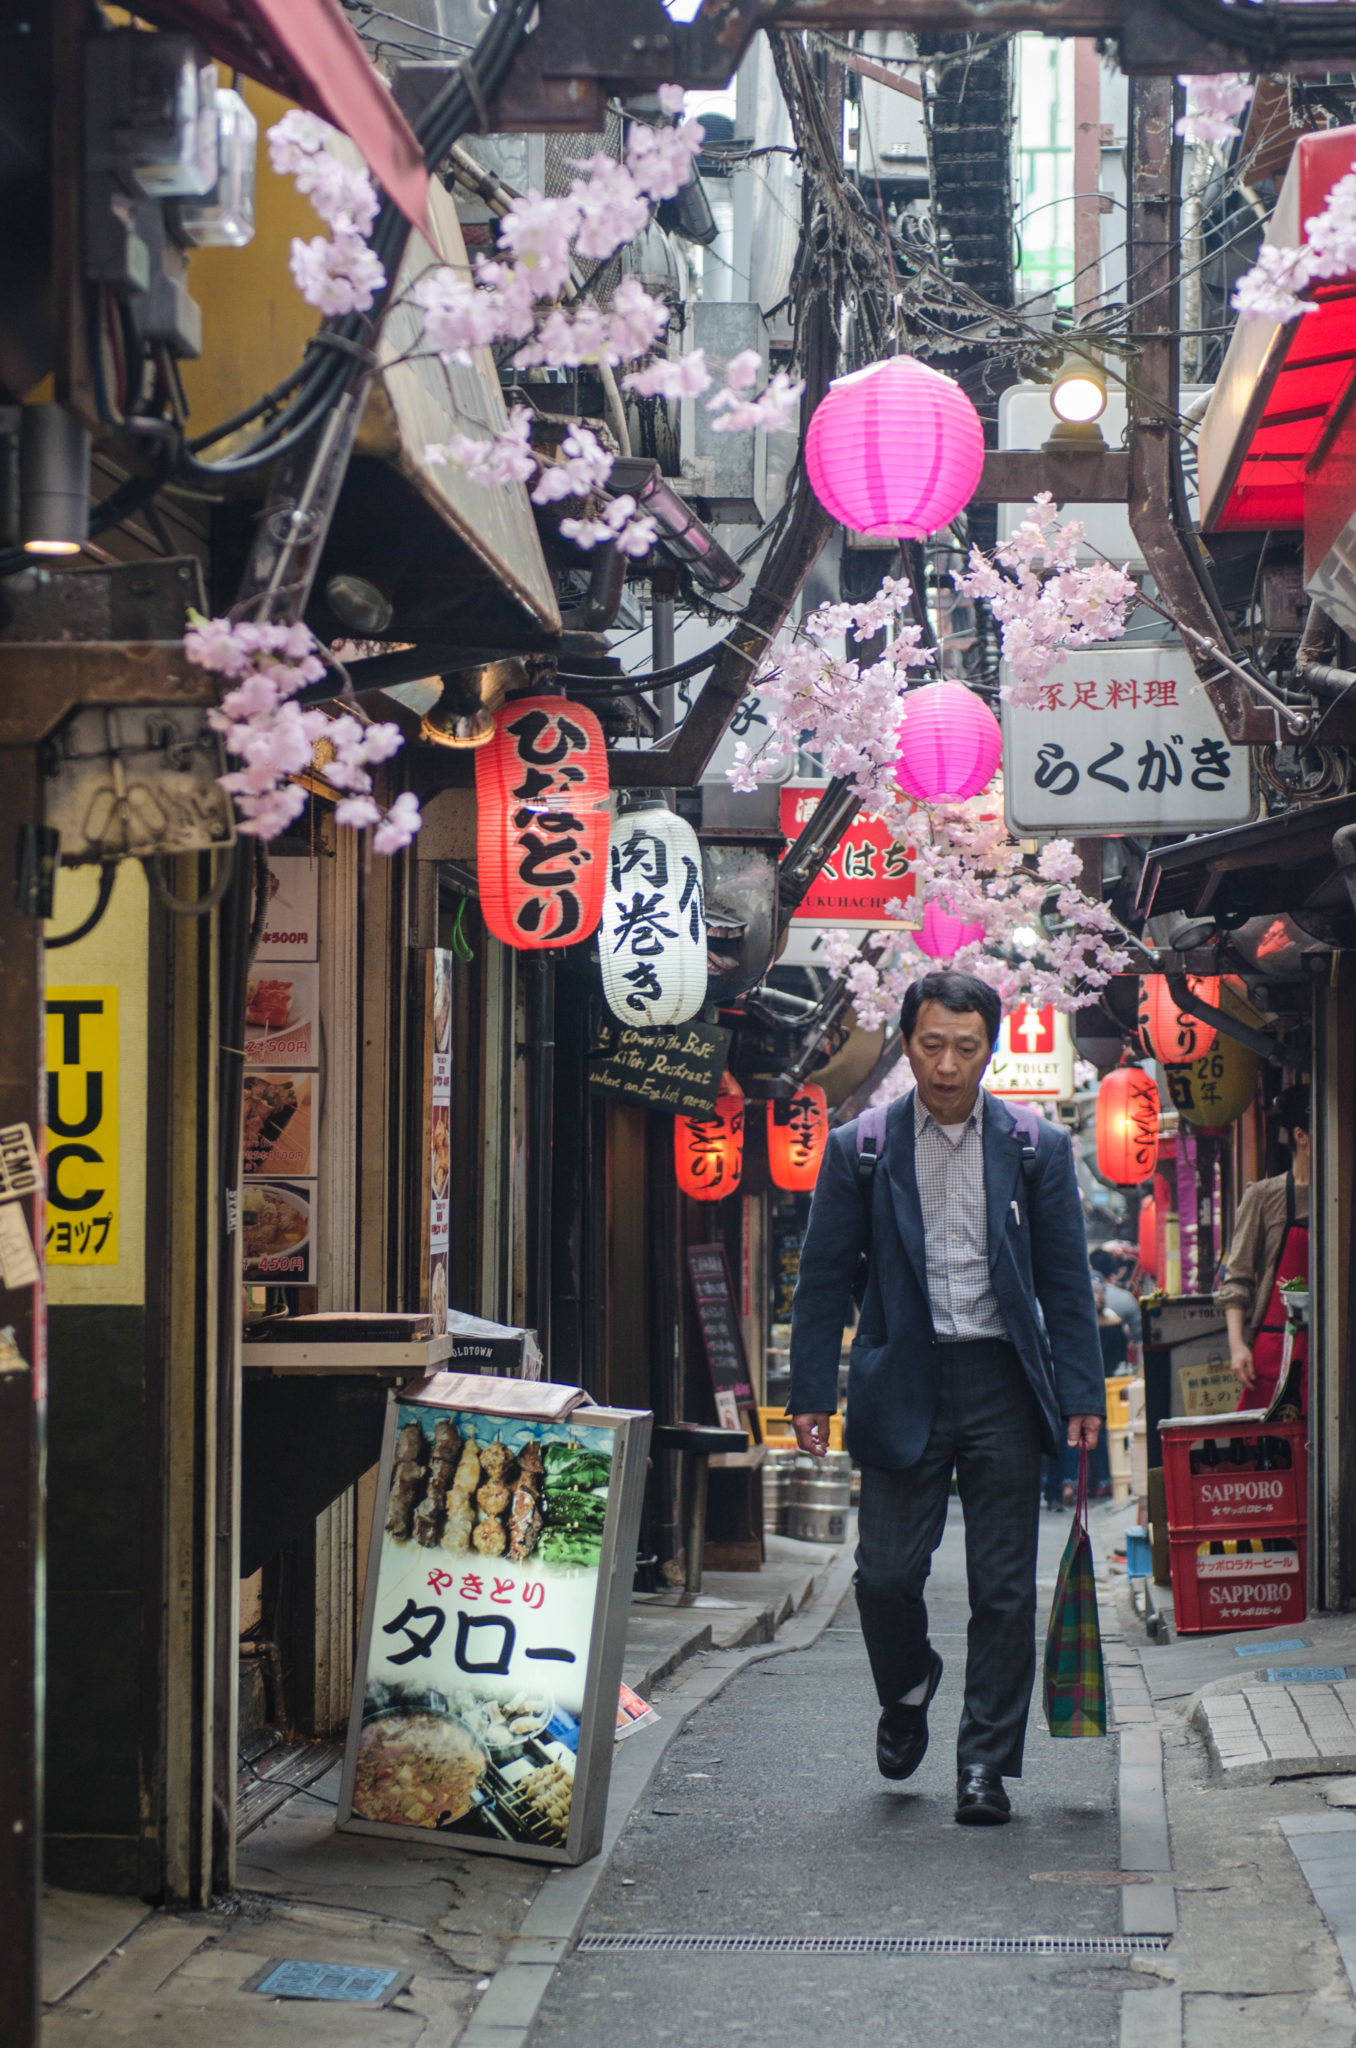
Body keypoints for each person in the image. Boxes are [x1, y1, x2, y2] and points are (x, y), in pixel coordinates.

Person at [788, 971, 1104, 1829]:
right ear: (907, 1041)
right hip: (902, 1382)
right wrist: (811, 1391)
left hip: (1003, 1377)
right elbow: (822, 1281)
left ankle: (984, 1765)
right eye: (932, 1044)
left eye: (966, 1047)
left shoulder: (1035, 1147)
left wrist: (1083, 1393)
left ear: (989, 1049)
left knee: (1003, 1590)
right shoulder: (862, 1146)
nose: (948, 1064)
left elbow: (1066, 1283)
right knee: (885, 1577)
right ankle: (908, 1685)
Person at [1219, 1084, 1310, 1413]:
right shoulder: (1263, 1197)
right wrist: (1237, 1345)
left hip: (1328, 1348)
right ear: (1301, 1135)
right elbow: (1237, 1278)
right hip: (1275, 1346)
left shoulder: (1338, 1198)